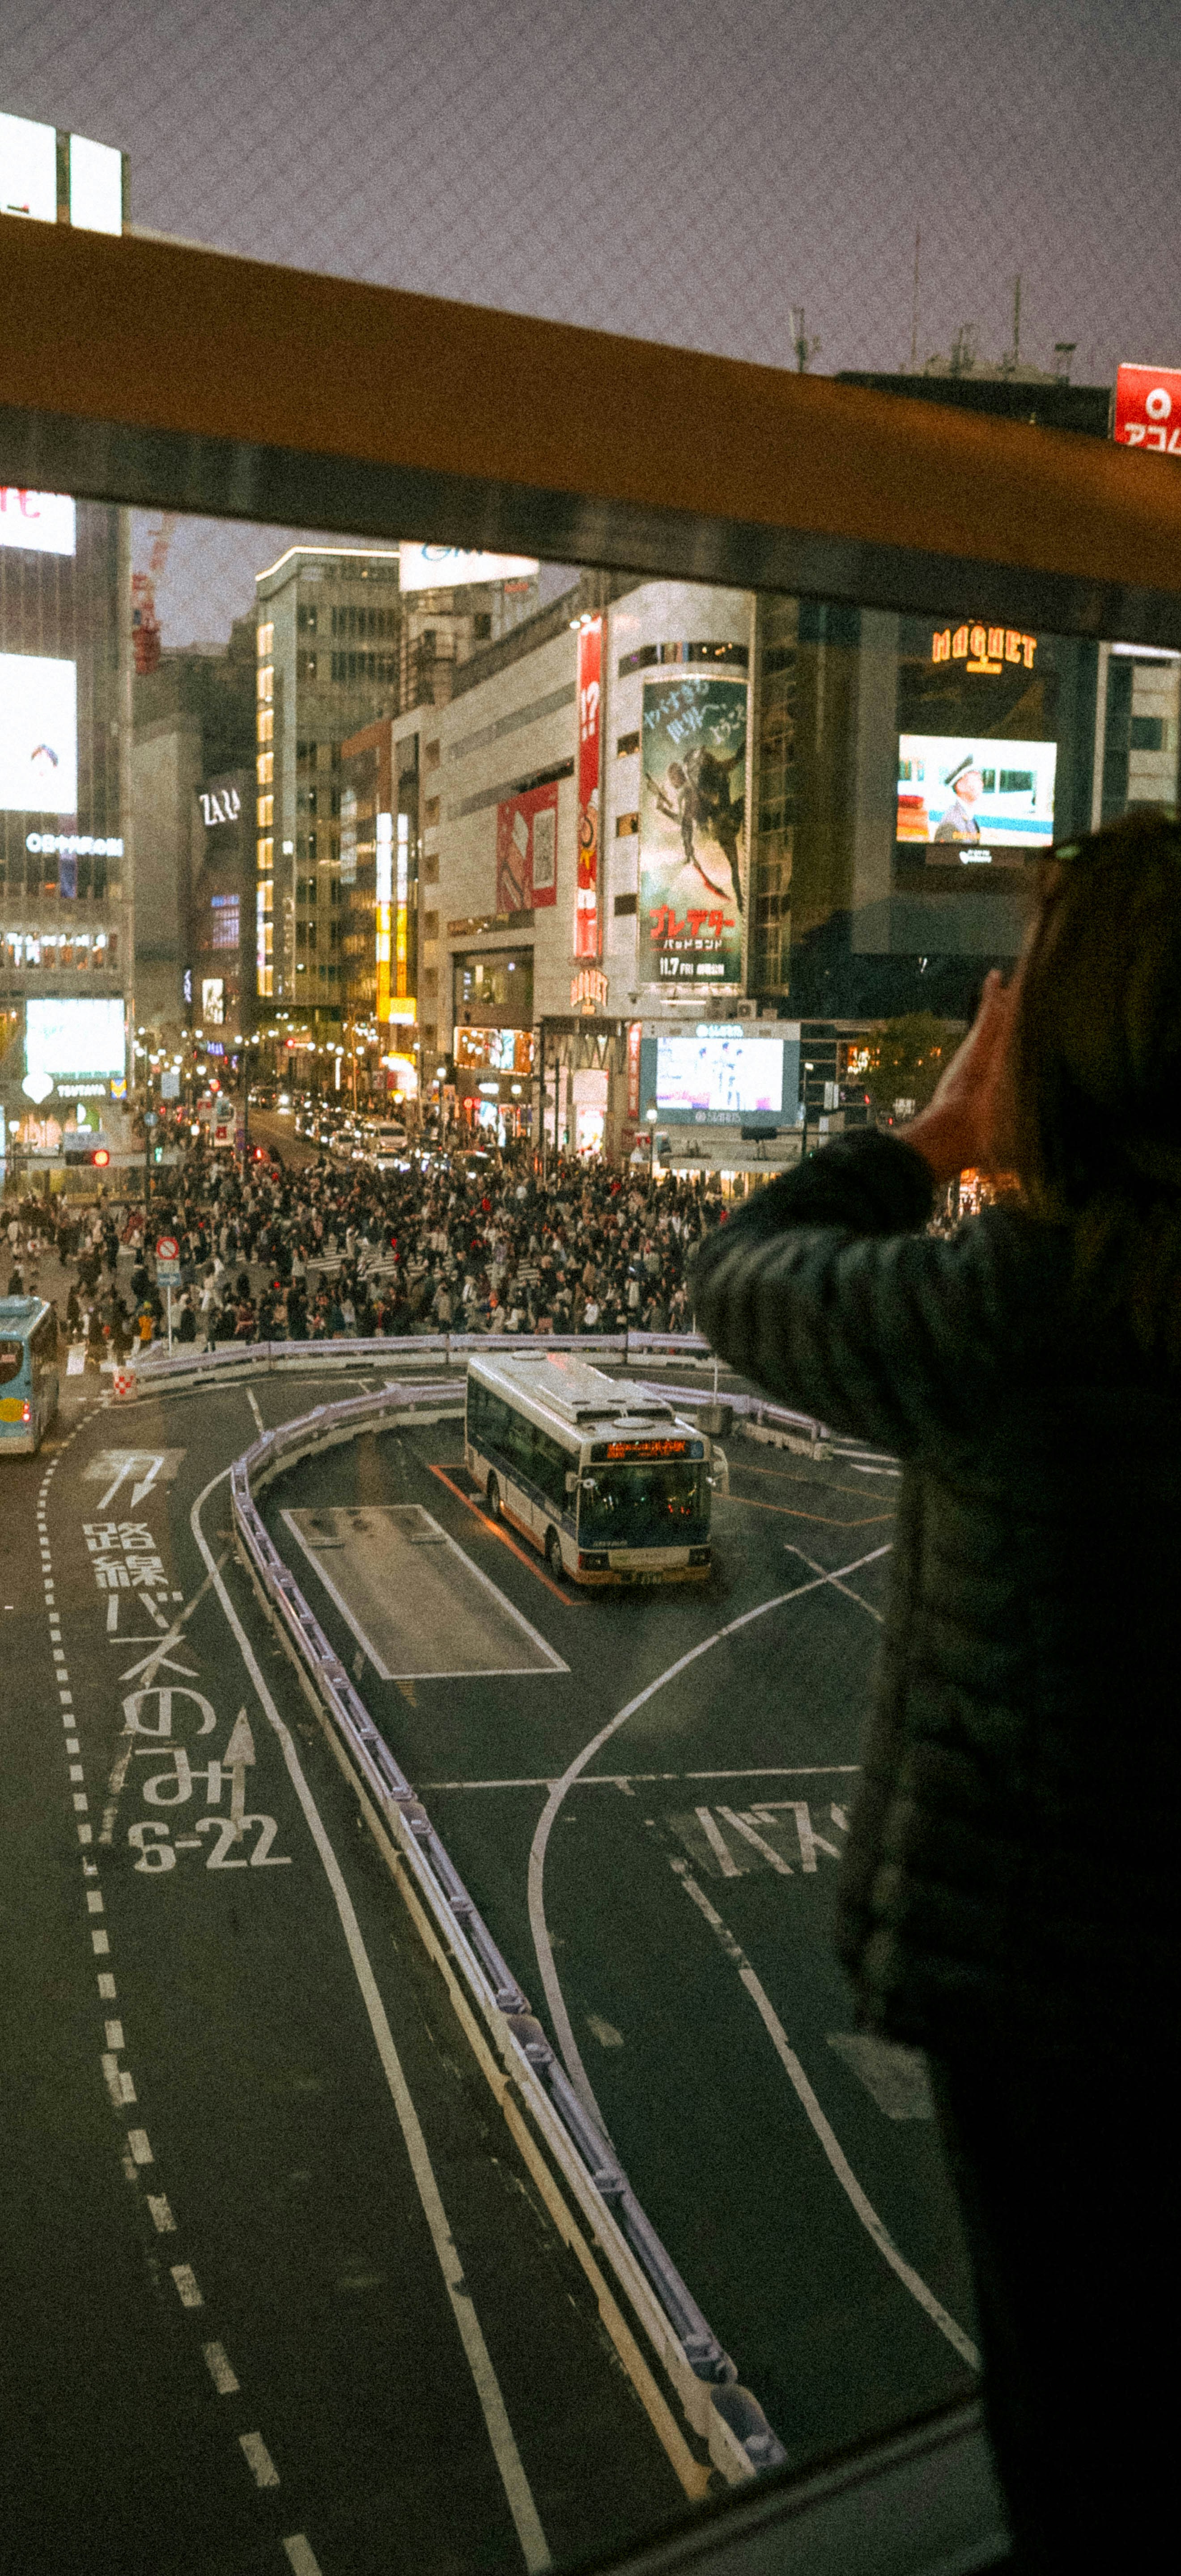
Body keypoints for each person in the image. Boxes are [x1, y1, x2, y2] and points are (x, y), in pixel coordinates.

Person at [688, 815, 1180, 2575]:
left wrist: (934, 1132)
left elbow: (744, 1283)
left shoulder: (1014, 1315)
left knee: (1077, 2427)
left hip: (1049, 1997)